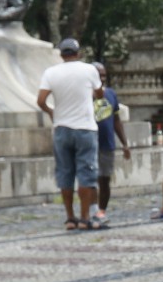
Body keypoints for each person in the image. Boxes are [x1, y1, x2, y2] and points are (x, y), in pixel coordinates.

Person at [36, 37, 102, 230]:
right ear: (78, 53)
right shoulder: (89, 70)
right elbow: (100, 94)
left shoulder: (51, 72)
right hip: (85, 127)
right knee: (85, 173)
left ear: (61, 54)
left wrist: (51, 112)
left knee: (65, 173)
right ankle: (84, 217)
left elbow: (40, 100)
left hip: (62, 128)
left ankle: (70, 217)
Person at [91, 62, 131, 224]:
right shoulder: (84, 95)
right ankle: (90, 210)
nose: (102, 78)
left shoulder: (111, 94)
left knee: (105, 179)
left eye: (104, 75)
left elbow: (116, 120)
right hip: (89, 143)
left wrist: (125, 143)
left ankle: (101, 211)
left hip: (107, 143)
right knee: (89, 180)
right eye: (98, 75)